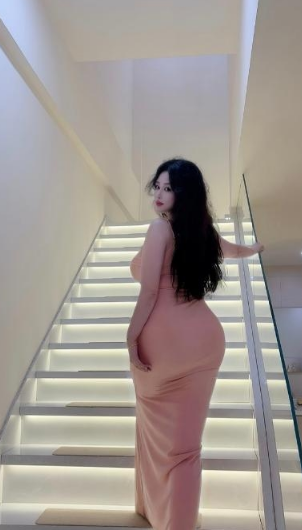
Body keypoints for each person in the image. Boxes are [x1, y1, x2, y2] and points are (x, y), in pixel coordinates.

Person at [127, 158, 265, 530]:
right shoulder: (202, 233)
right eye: (157, 186)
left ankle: (156, 511)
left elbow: (150, 291)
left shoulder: (160, 230)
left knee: (157, 437)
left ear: (184, 194)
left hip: (163, 345)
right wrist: (255, 247)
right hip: (206, 341)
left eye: (169, 188)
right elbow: (234, 250)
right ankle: (174, 520)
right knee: (186, 450)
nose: (159, 195)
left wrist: (130, 338)